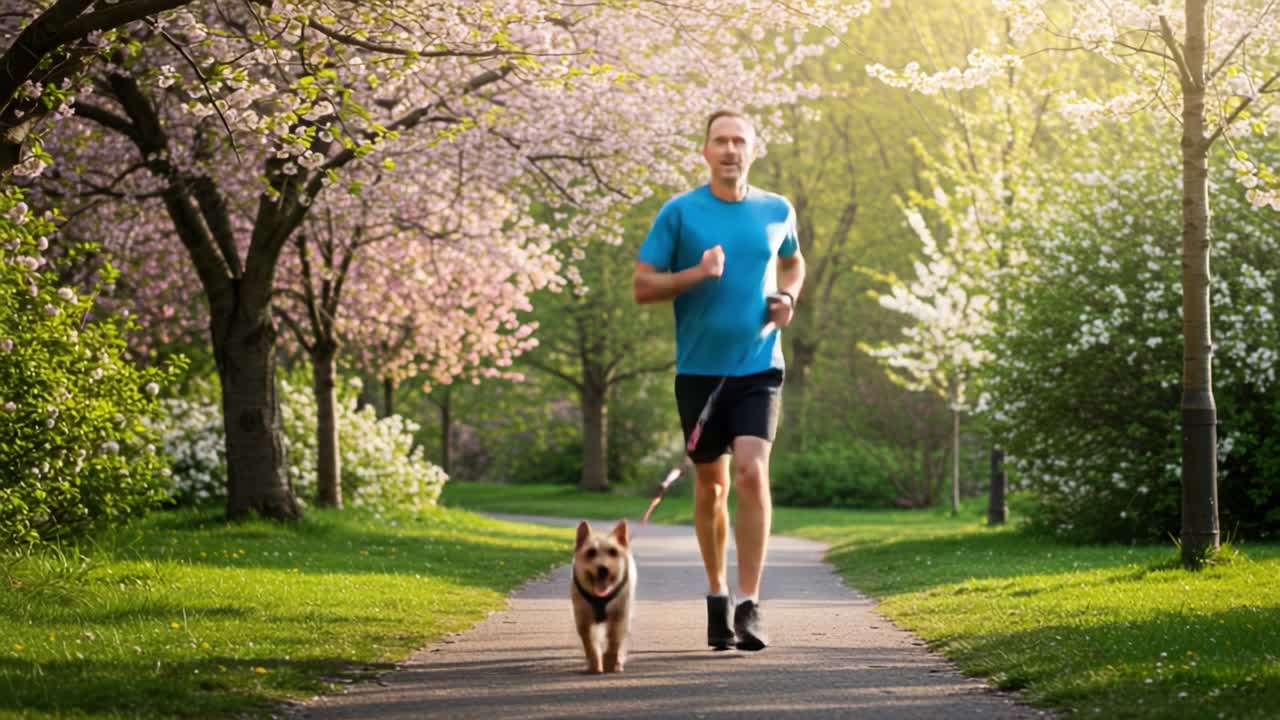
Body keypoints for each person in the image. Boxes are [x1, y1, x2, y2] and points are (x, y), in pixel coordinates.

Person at [632, 109, 805, 651]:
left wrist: (788, 298)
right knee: (712, 488)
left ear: (754, 150)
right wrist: (696, 275)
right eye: (720, 141)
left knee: (752, 475)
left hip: (760, 365)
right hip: (700, 373)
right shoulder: (680, 214)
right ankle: (717, 597)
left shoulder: (777, 209)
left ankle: (750, 604)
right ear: (705, 151)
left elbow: (793, 262)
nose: (730, 150)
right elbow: (642, 287)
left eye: (739, 141)